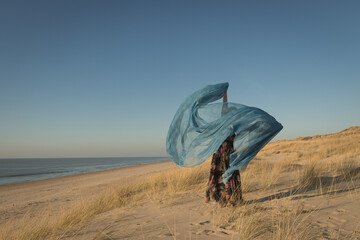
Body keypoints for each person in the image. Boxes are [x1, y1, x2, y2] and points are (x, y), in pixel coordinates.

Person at [204, 91, 243, 207]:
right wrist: (225, 94)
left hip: (225, 155)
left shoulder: (231, 127)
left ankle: (226, 201)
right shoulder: (226, 125)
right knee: (225, 176)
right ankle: (227, 201)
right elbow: (224, 106)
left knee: (223, 176)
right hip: (224, 155)